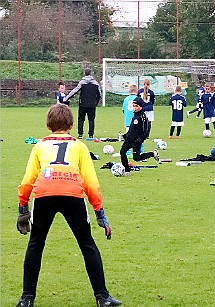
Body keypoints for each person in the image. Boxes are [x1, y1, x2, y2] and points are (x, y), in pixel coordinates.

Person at [16, 104, 121, 307]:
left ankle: (26, 299)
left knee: (36, 244)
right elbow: (90, 182)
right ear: (72, 125)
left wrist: (23, 207)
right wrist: (99, 212)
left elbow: (28, 179)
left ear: (48, 125)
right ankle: (102, 297)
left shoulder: (39, 146)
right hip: (72, 192)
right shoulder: (79, 146)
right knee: (87, 244)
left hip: (44, 192)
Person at [120, 96, 160, 175]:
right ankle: (127, 171)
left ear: (141, 106)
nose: (134, 108)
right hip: (129, 139)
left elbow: (146, 131)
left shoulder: (143, 117)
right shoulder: (134, 116)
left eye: (136, 106)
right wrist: (125, 136)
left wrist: (140, 140)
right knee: (122, 152)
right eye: (133, 106)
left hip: (136, 141)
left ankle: (152, 154)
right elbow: (132, 130)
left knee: (136, 158)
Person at [64, 68, 101, 139]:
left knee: (81, 119)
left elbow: (75, 91)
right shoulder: (96, 83)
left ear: (85, 73)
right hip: (92, 105)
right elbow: (99, 94)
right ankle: (91, 135)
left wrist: (67, 98)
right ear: (91, 73)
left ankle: (80, 134)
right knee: (91, 120)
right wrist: (96, 102)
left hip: (83, 104)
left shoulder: (82, 82)